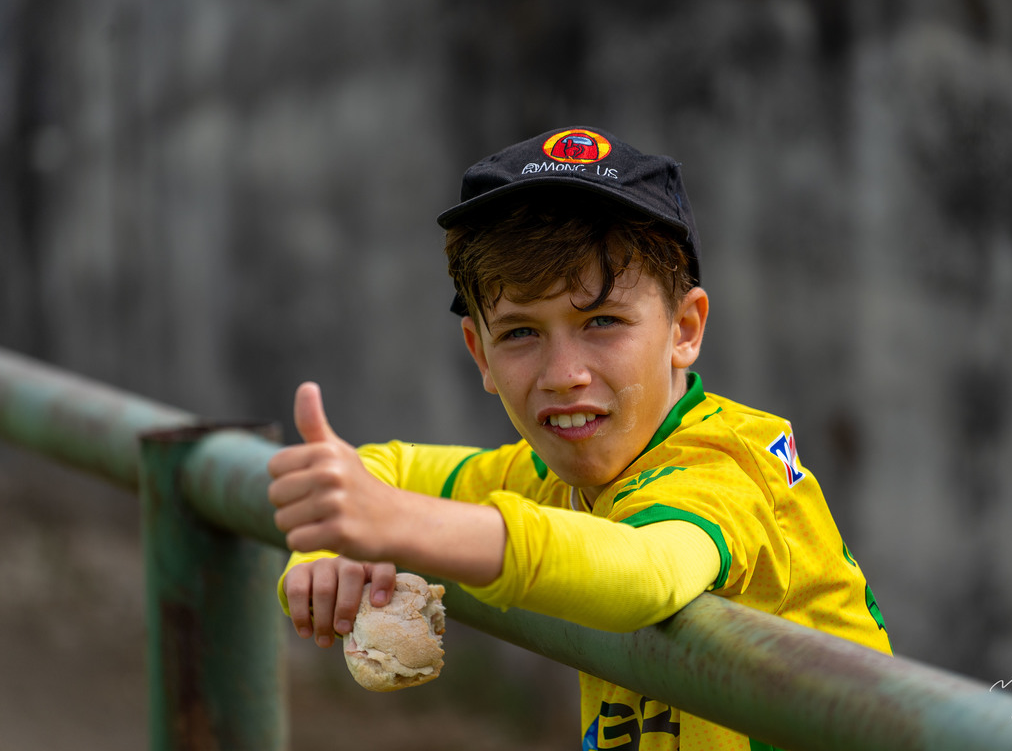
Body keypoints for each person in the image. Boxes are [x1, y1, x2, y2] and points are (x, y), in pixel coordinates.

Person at [267, 126, 892, 750]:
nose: (564, 375)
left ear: (684, 329)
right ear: (479, 353)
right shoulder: (546, 477)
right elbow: (379, 468)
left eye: (603, 321)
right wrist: (327, 548)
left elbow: (646, 570)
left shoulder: (725, 464)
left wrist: (400, 526)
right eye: (520, 333)